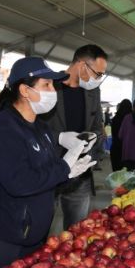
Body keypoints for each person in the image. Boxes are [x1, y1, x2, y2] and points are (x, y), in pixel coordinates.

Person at [0, 57, 95, 268]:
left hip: (33, 239)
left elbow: (46, 176)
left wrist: (69, 174)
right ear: (25, 90)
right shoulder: (2, 129)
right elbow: (20, 182)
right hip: (0, 240)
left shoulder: (41, 128)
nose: (53, 90)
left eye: (53, 85)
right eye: (46, 85)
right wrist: (64, 167)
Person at [39, 44, 107, 230]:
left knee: (76, 232)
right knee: (38, 229)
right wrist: (59, 137)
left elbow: (97, 125)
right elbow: (31, 128)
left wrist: (93, 141)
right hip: (48, 170)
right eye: (98, 73)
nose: (98, 79)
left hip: (79, 174)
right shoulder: (48, 86)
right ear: (82, 65)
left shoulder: (93, 92)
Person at [110, 99, 132, 171]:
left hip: (115, 149)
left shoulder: (115, 119)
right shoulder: (131, 119)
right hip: (127, 151)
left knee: (116, 175)